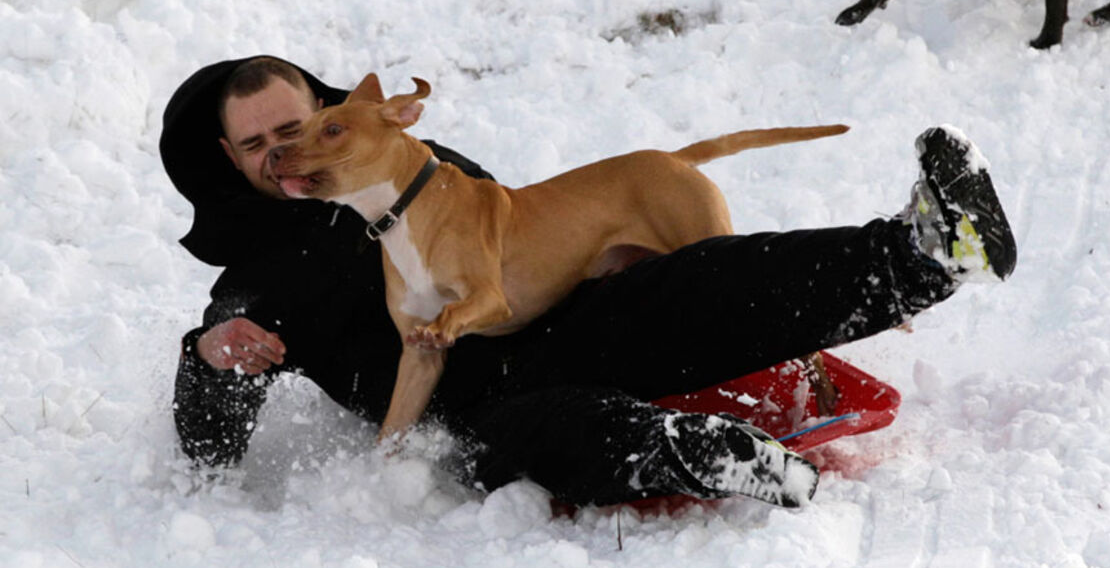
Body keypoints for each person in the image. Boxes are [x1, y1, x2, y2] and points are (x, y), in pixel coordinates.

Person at [161, 55, 1016, 508]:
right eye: (256, 145)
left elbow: (522, 238)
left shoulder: (426, 168)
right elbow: (210, 446)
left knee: (700, 281)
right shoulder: (257, 279)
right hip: (479, 411)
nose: (287, 151)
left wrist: (620, 252)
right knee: (542, 428)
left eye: (298, 124)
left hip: (568, 320)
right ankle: (706, 455)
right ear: (229, 165)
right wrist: (209, 356)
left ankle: (925, 253)